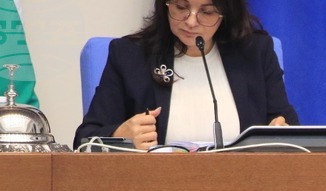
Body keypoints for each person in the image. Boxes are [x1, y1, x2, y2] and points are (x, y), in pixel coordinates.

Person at [73, 0, 298, 150]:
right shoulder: (131, 56)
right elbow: (83, 140)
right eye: (181, 7)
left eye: (207, 12)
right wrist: (120, 137)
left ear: (226, 13)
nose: (191, 21)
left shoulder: (255, 52)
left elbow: (293, 134)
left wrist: (282, 132)